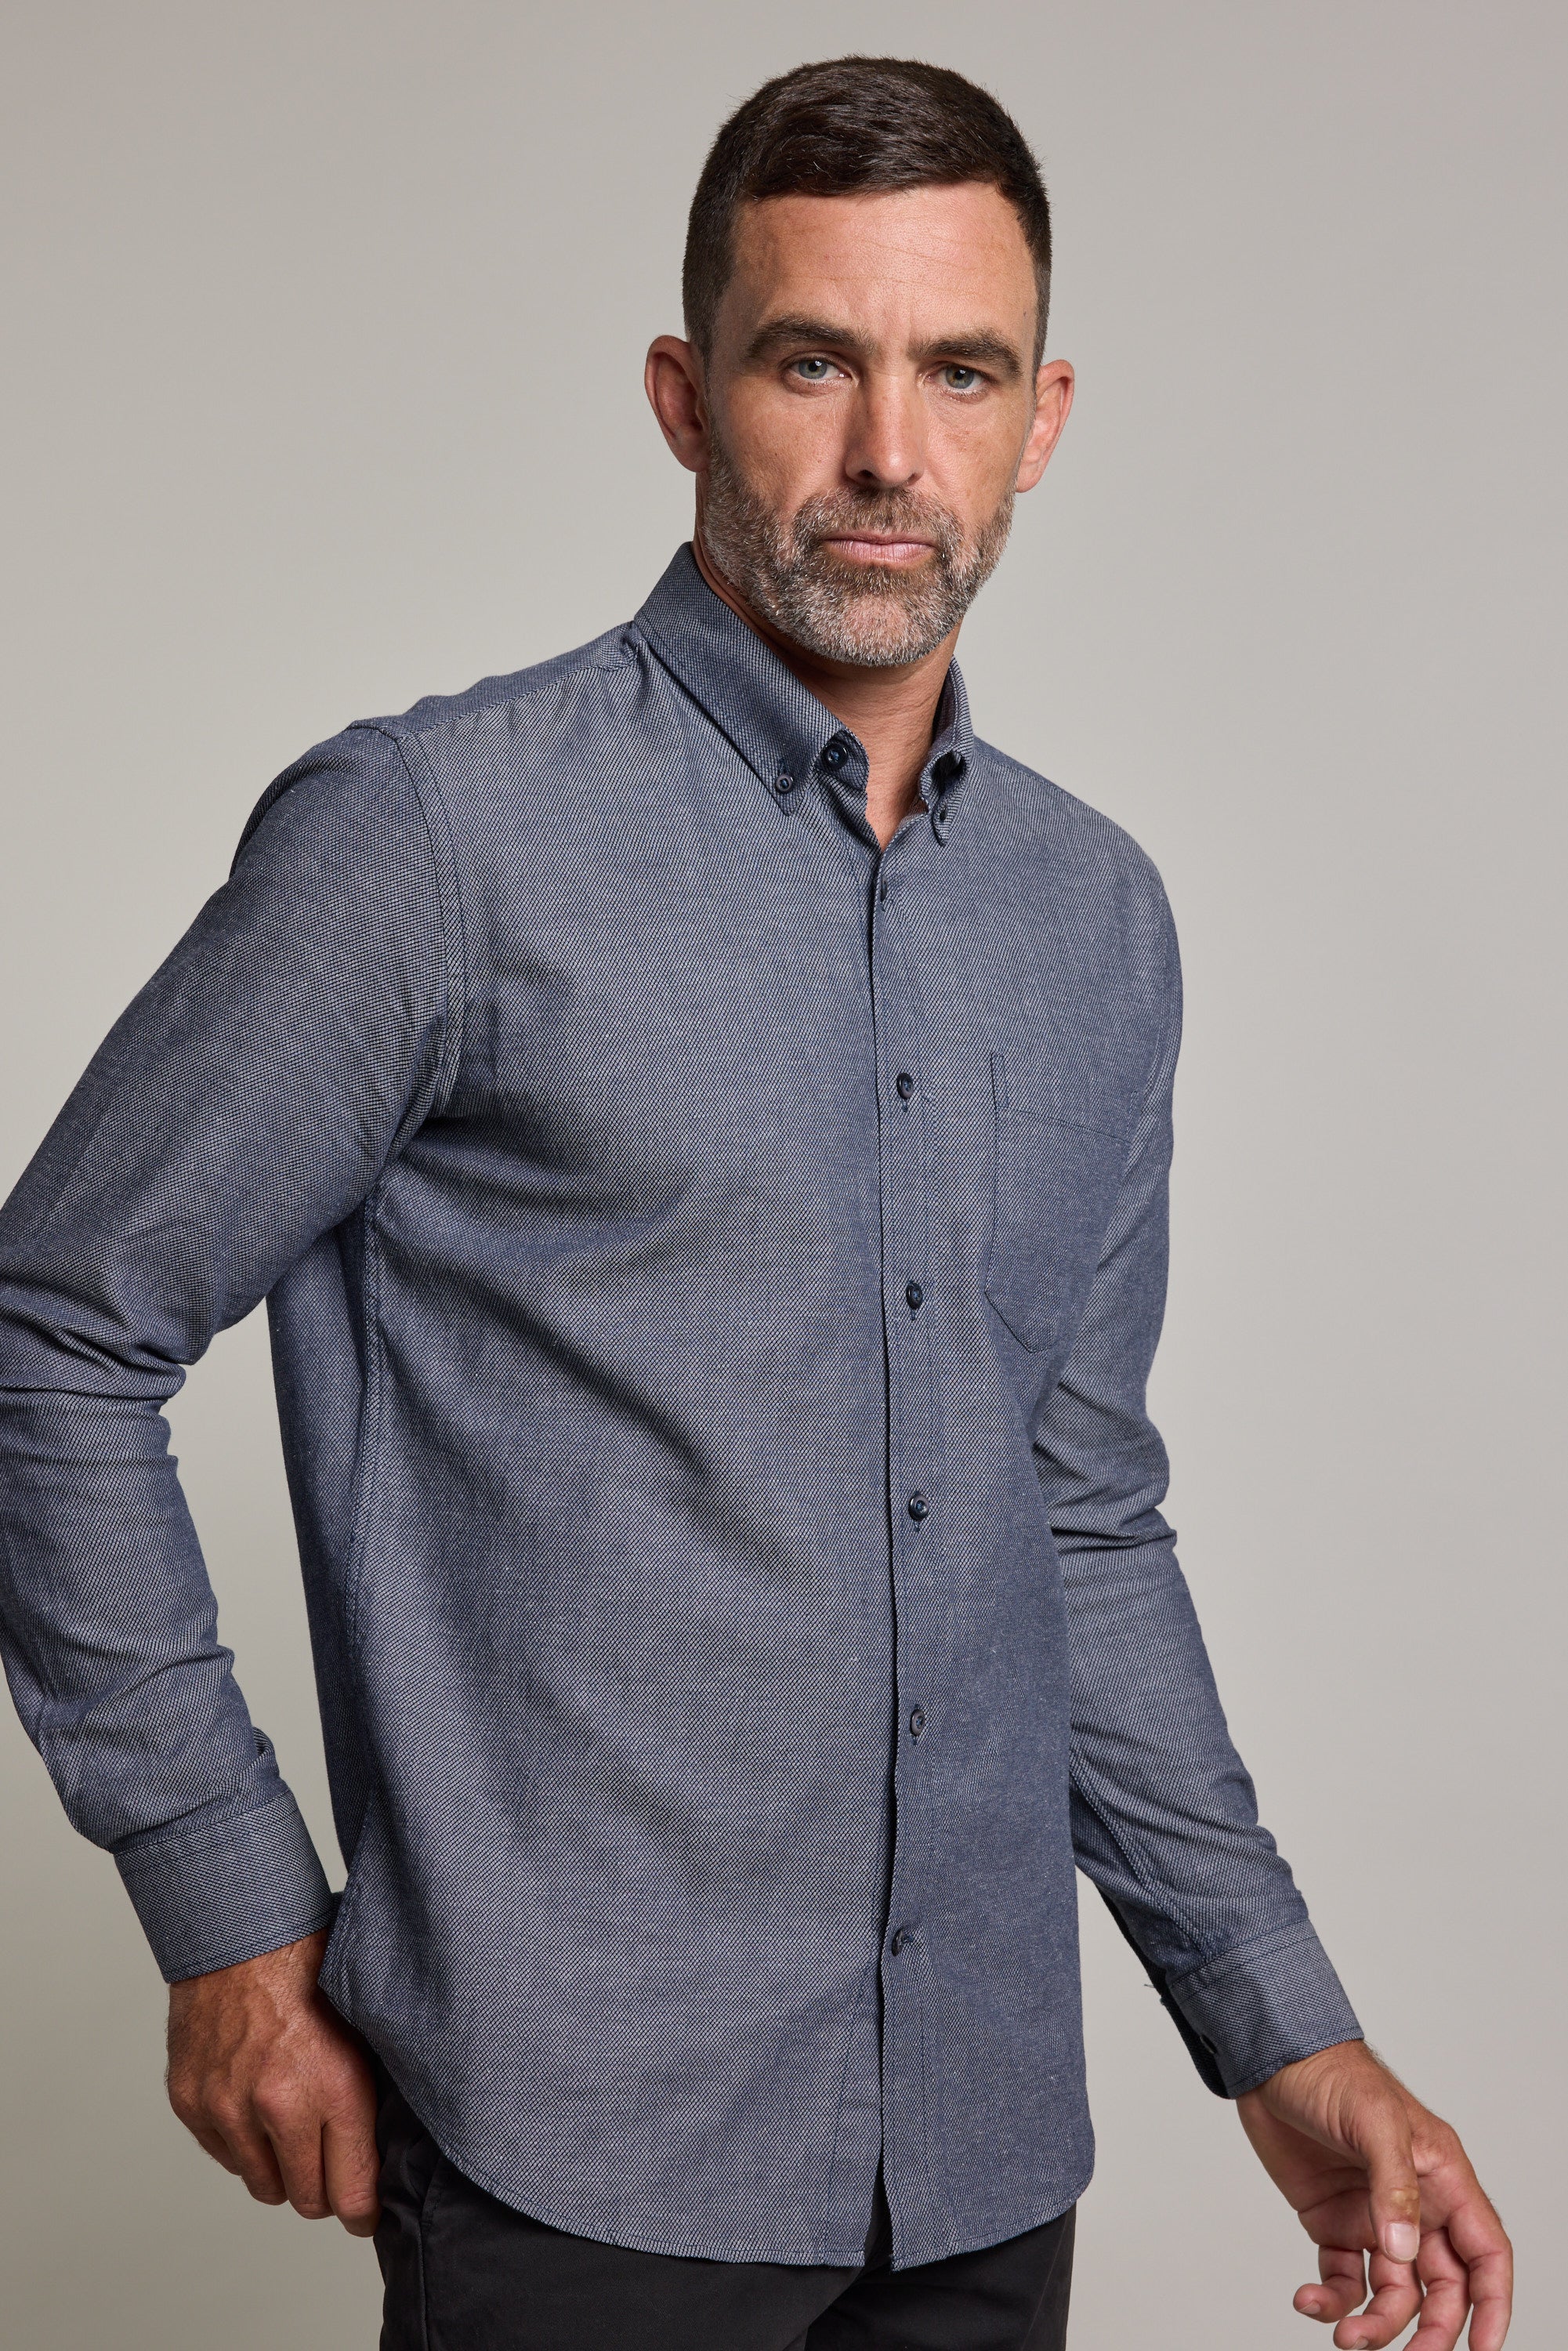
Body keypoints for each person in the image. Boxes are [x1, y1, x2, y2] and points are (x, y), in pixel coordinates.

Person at [0, 54, 1512, 2351]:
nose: (889, 451)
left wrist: (1281, 2035)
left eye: (958, 370)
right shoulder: (436, 841)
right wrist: (224, 1913)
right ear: (685, 394)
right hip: (564, 2151)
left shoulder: (1095, 922)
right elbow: (56, 1324)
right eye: (814, 360)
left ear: (1044, 414)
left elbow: (1070, 1512)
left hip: (985, 2155)